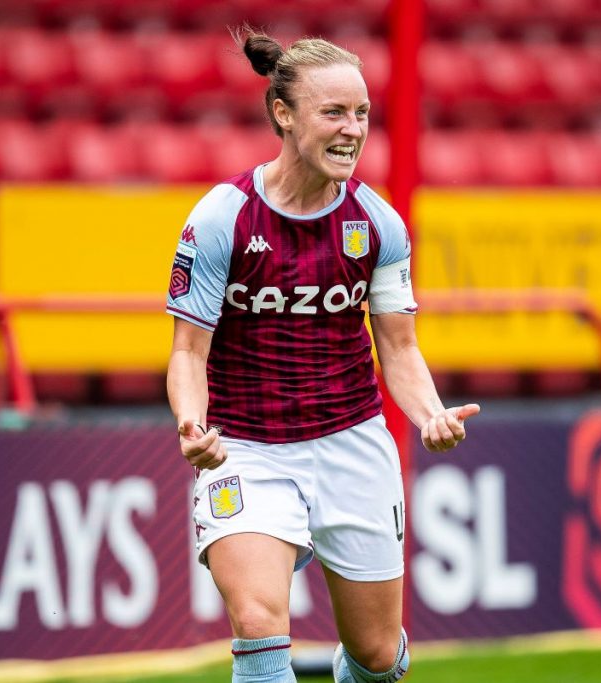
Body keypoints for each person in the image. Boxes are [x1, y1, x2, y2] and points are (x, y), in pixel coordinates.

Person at [166, 28, 479, 683]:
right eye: (334, 112)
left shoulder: (379, 225)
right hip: (245, 449)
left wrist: (428, 414)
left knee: (376, 654)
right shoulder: (222, 219)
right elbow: (188, 353)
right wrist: (192, 424)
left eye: (362, 113)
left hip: (351, 443)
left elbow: (398, 346)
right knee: (258, 621)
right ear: (284, 115)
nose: (353, 129)